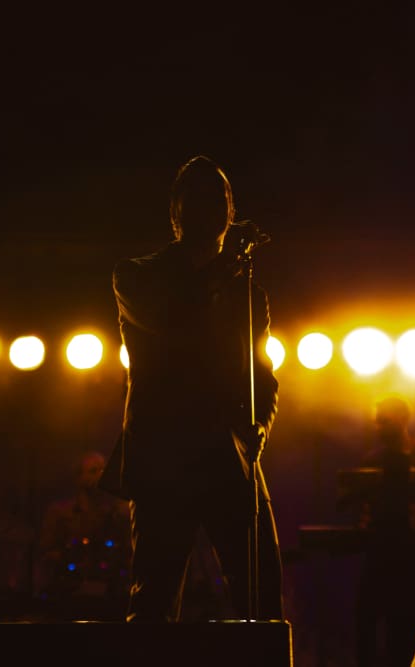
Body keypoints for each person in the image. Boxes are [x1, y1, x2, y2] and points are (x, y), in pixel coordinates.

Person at [99, 155, 283, 622]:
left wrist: (259, 425)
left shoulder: (248, 295)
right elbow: (177, 323)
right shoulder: (137, 276)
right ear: (177, 212)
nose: (213, 208)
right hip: (165, 457)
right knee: (155, 601)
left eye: (220, 198)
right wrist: (226, 272)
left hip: (231, 454)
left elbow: (261, 373)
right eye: (199, 198)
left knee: (262, 595)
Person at [355, 395, 415, 667]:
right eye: (377, 422)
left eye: (384, 421)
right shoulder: (373, 459)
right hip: (380, 554)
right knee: (367, 623)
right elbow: (363, 509)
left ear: (402, 420)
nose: (378, 427)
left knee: (409, 627)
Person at [34, 451, 131, 619]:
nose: (101, 475)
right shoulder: (60, 512)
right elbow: (47, 551)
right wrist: (71, 559)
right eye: (93, 471)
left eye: (103, 470)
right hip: (69, 598)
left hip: (110, 600)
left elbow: (128, 553)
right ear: (79, 478)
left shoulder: (119, 514)